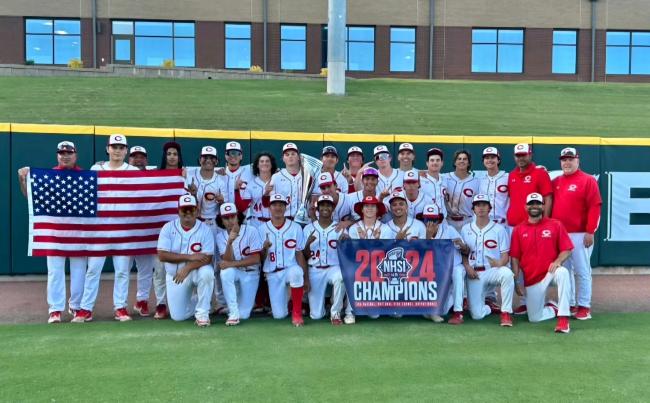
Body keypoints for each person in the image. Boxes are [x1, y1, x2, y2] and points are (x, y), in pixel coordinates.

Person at [71, 134, 140, 323]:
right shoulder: (96, 168)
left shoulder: (133, 171)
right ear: (107, 149)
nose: (117, 150)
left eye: (121, 147)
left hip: (123, 228)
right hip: (99, 227)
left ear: (126, 150)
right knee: (93, 269)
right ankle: (85, 309)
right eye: (114, 147)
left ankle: (120, 307)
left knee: (122, 270)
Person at [18, 141, 87, 324]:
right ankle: (55, 310)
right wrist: (23, 179)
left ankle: (76, 306)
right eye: (62, 152)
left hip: (79, 232)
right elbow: (30, 198)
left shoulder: (85, 175)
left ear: (75, 155)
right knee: (55, 272)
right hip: (55, 233)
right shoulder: (48, 176)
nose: (65, 155)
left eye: (69, 152)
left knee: (79, 271)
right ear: (57, 155)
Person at [510, 193, 573, 333]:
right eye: (531, 204)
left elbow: (567, 249)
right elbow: (515, 257)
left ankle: (563, 319)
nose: (534, 206)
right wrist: (516, 281)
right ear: (526, 207)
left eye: (538, 203)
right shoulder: (518, 229)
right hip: (533, 279)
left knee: (563, 272)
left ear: (543, 206)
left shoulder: (555, 224)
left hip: (551, 271)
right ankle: (552, 308)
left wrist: (558, 261)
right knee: (534, 318)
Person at [551, 147, 602, 320]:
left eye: (570, 159)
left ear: (577, 160)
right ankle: (570, 303)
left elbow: (595, 207)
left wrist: (590, 231)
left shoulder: (588, 180)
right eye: (564, 159)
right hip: (561, 234)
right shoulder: (556, 181)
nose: (566, 162)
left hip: (581, 234)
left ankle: (584, 306)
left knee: (582, 271)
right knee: (565, 271)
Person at [507, 143, 553, 316]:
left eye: (524, 155)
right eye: (518, 155)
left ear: (530, 155)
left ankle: (538, 301)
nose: (521, 158)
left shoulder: (540, 173)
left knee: (533, 264)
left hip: (534, 226)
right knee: (516, 264)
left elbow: (547, 197)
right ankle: (523, 302)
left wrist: (545, 221)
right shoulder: (511, 175)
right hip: (513, 227)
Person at [157, 194, 215, 327]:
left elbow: (208, 258)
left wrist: (188, 267)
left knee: (207, 272)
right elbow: (162, 255)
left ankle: (202, 314)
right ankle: (201, 300)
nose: (188, 213)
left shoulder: (205, 230)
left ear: (197, 210)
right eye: (184, 209)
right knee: (178, 316)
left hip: (195, 271)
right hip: (176, 276)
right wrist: (189, 257)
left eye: (191, 209)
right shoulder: (168, 228)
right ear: (178, 211)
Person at [460, 194, 514, 327]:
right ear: (473, 209)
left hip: (491, 271)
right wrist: (467, 266)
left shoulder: (499, 229)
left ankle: (506, 313)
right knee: (477, 315)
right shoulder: (465, 229)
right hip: (474, 274)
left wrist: (500, 264)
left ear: (489, 208)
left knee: (507, 273)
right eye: (478, 205)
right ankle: (489, 306)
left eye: (484, 205)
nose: (481, 208)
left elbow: (505, 255)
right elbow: (463, 253)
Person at [259, 193, 309, 326]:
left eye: (281, 205)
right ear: (269, 208)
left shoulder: (295, 227)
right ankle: (290, 304)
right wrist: (264, 249)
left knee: (297, 272)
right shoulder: (261, 229)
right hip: (273, 273)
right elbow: (260, 259)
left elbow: (299, 254)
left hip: (290, 268)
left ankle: (297, 313)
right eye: (274, 205)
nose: (278, 208)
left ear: (285, 207)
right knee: (279, 315)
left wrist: (306, 278)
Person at [215, 203, 262, 326]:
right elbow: (226, 261)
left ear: (238, 216)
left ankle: (236, 310)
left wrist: (231, 264)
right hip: (235, 273)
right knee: (225, 273)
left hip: (251, 274)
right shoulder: (220, 237)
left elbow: (256, 259)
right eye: (226, 218)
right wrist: (229, 242)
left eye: (232, 216)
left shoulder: (251, 231)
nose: (230, 220)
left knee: (244, 315)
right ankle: (233, 312)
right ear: (221, 220)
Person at [302, 195, 346, 325]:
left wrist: (345, 242)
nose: (325, 208)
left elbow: (347, 254)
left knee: (341, 277)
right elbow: (303, 256)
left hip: (333, 267)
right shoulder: (308, 228)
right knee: (316, 316)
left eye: (328, 205)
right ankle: (327, 306)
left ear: (333, 209)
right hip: (314, 269)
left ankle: (335, 312)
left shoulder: (340, 228)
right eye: (322, 205)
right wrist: (307, 245)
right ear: (318, 208)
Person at [422, 204, 467, 325]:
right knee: (441, 311)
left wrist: (462, 245)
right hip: (437, 271)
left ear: (440, 220)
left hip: (454, 266)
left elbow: (465, 250)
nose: (430, 222)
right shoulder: (421, 231)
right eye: (427, 219)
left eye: (434, 219)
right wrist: (427, 237)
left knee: (458, 273)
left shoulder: (449, 230)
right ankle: (435, 307)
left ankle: (458, 312)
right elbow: (422, 257)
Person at [127, 146, 158, 318]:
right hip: (125, 231)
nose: (138, 160)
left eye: (141, 157)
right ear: (128, 159)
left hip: (145, 230)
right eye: (134, 157)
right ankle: (120, 305)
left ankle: (142, 301)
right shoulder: (120, 173)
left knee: (146, 269)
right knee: (123, 270)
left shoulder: (154, 173)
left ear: (146, 159)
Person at [186, 146, 227, 228]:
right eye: (205, 157)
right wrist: (193, 195)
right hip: (193, 222)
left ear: (217, 161)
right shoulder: (189, 176)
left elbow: (225, 209)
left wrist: (221, 202)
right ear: (199, 160)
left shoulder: (221, 181)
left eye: (212, 158)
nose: (208, 160)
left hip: (213, 223)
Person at [235, 152, 277, 228]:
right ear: (257, 165)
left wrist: (266, 194)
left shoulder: (278, 181)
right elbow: (242, 208)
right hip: (256, 223)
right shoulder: (251, 184)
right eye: (261, 161)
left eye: (267, 161)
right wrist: (236, 190)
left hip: (274, 222)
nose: (264, 163)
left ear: (271, 164)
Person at [444, 150, 479, 232]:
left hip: (467, 221)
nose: (462, 161)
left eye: (465, 159)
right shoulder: (444, 178)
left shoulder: (476, 182)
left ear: (469, 163)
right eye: (459, 159)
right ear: (455, 162)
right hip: (448, 222)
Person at [270, 143, 305, 219]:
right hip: (284, 219)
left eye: (293, 154)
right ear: (283, 158)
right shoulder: (276, 177)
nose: (290, 157)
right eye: (287, 154)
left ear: (299, 157)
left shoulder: (307, 176)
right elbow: (272, 202)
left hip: (304, 219)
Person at [479, 147, 509, 228]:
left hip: (504, 224)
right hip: (485, 224)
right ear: (483, 161)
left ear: (498, 160)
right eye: (487, 158)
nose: (489, 160)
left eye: (493, 157)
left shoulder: (507, 178)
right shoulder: (480, 180)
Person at [419, 147, 448, 217]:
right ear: (427, 163)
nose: (435, 162)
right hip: (427, 219)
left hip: (443, 220)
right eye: (432, 160)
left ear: (442, 163)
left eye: (438, 160)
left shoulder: (445, 179)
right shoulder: (419, 179)